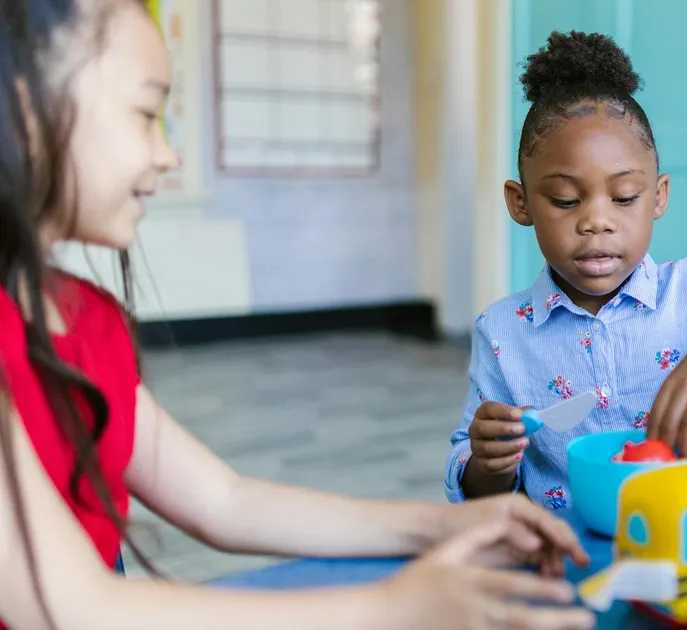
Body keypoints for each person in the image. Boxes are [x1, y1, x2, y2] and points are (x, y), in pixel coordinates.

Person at [0, 2, 596, 629]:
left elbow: (223, 503)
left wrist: (446, 525)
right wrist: (394, 608)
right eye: (147, 115)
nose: (167, 155)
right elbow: (66, 606)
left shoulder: (87, 320)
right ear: (25, 110)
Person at [445, 31, 687, 509]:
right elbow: (474, 485)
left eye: (625, 197)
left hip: (681, 542)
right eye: (566, 200)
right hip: (563, 555)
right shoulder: (502, 331)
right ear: (521, 202)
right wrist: (490, 461)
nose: (596, 220)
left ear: (658, 197)